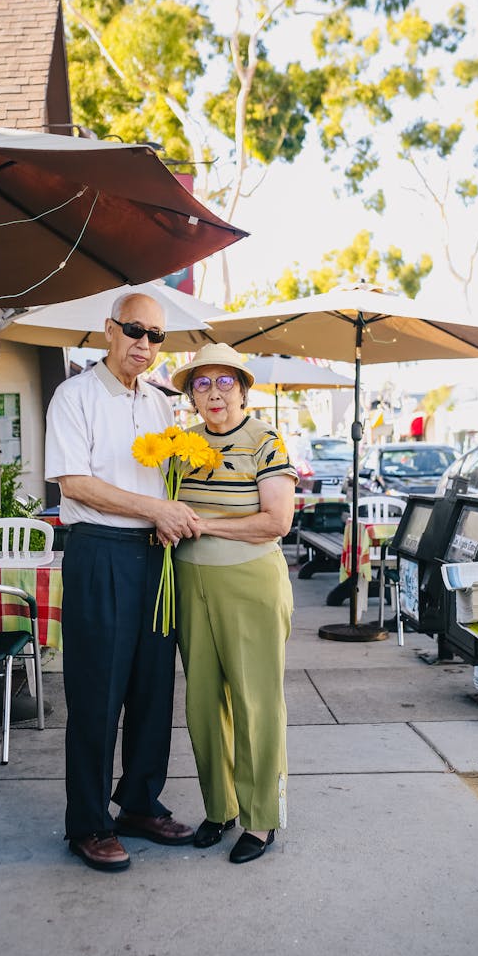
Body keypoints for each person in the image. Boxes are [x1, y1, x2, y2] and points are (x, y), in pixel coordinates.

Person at [45, 291, 199, 872]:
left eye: (157, 335)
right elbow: (74, 484)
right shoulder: (74, 395)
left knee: (153, 691)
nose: (145, 343)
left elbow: (167, 484)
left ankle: (138, 803)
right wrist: (155, 510)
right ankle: (87, 822)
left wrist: (173, 513)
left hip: (154, 557)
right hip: (100, 552)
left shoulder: (162, 406)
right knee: (96, 694)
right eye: (135, 330)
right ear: (109, 330)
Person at [170, 343, 297, 864]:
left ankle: (261, 819)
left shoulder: (265, 441)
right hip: (188, 580)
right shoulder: (180, 444)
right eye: (202, 383)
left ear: (243, 389)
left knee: (254, 701)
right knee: (202, 703)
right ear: (191, 396)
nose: (214, 393)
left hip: (249, 580)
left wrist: (203, 525)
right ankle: (219, 808)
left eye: (225, 382)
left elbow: (277, 521)